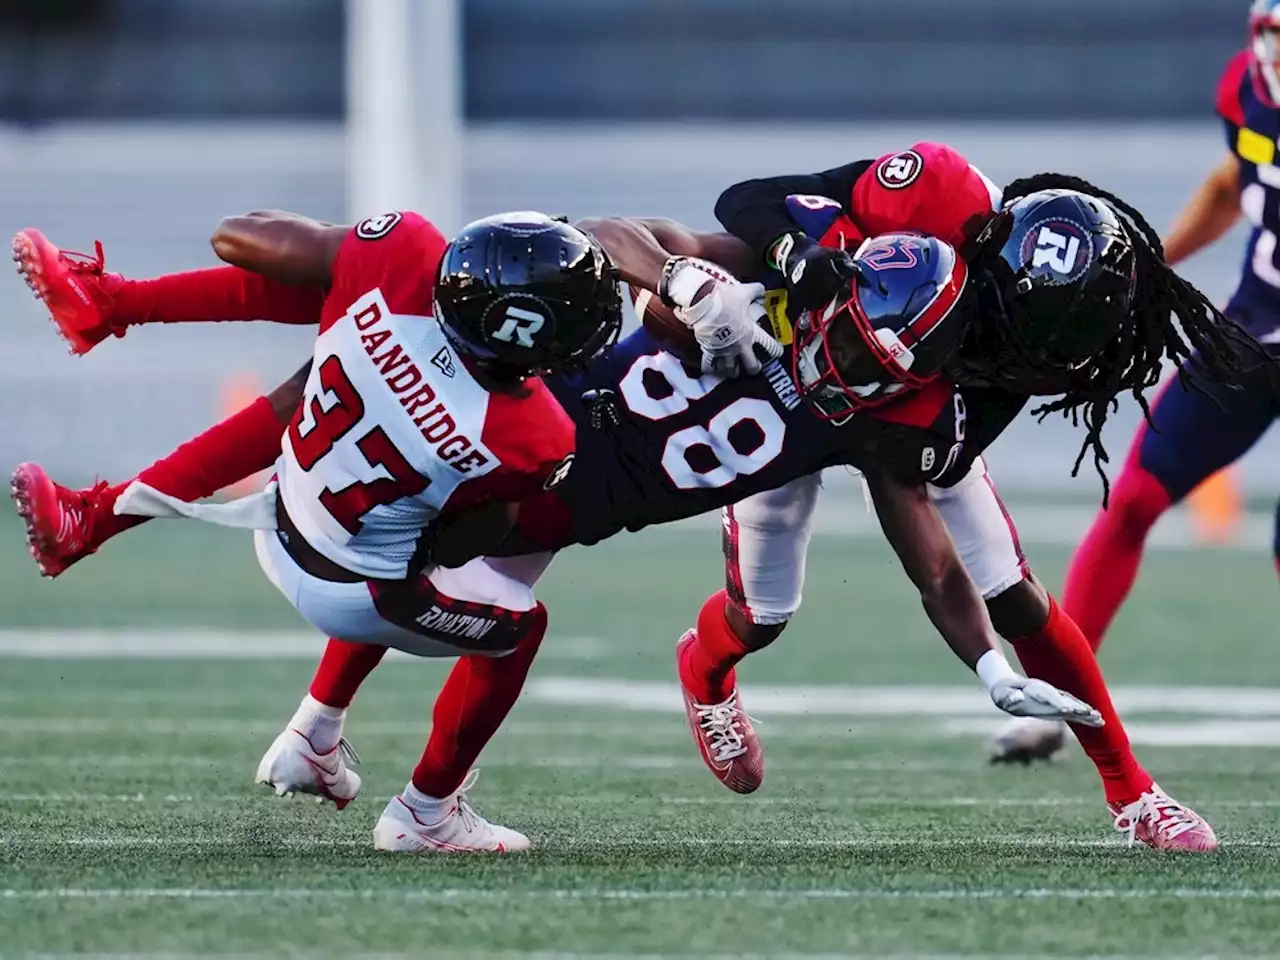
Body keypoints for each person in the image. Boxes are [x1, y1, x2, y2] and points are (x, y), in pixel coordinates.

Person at [11, 211, 1104, 853]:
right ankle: (414, 802)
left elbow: (921, 542)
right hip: (541, 447)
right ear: (841, 284)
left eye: (881, 368)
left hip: (556, 479)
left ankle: (309, 731)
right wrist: (682, 283)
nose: (849, 369)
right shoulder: (773, 275)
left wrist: (983, 664)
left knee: (426, 517)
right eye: (855, 342)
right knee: (452, 565)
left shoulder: (880, 419)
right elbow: (626, 238)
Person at [668, 139, 1273, 850]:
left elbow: (939, 461)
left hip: (916, 408)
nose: (1025, 358)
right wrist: (799, 256)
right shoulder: (935, 192)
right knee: (762, 613)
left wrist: (909, 435)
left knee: (1014, 593)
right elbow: (747, 199)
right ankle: (704, 671)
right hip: (797, 385)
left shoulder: (1050, 348)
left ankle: (1134, 792)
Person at [1039, 2, 1280, 765]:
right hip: (1252, 329)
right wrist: (1155, 268)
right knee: (1135, 494)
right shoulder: (1244, 87)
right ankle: (1058, 694)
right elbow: (1231, 183)